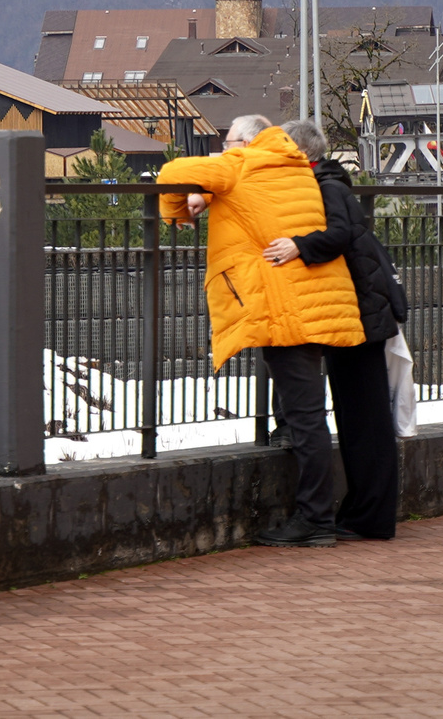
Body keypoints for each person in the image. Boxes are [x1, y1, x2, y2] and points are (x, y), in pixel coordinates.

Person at [158, 112, 363, 547]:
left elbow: (171, 170)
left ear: (248, 143)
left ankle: (316, 519)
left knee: (306, 419)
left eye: (228, 141)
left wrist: (180, 210)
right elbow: (257, 207)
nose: (224, 149)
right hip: (315, 302)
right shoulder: (293, 168)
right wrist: (207, 196)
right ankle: (317, 516)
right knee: (308, 415)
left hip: (281, 306)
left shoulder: (241, 165)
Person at [262, 120, 405, 541]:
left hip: (359, 315)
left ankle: (371, 517)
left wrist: (299, 246)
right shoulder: (327, 181)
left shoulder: (326, 185)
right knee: (360, 415)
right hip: (355, 311)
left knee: (366, 419)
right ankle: (365, 514)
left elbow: (339, 234)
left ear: (300, 154)